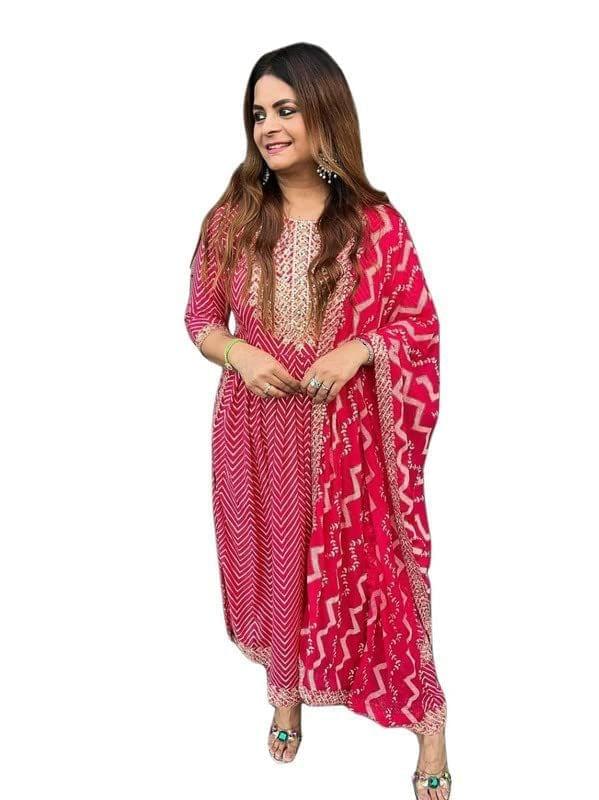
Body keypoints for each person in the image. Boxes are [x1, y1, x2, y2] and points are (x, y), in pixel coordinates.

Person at [184, 42, 452, 799]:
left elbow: (419, 325)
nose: (269, 126)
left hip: (350, 439)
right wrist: (238, 351)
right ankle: (286, 693)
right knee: (277, 565)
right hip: (258, 432)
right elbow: (200, 319)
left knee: (382, 576)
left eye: (286, 109)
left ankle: (428, 719)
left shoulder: (376, 224)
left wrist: (361, 349)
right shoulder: (233, 218)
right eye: (259, 113)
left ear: (325, 114)